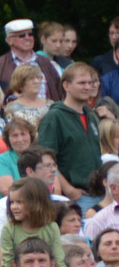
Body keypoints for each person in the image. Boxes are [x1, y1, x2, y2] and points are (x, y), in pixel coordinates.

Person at [37, 62, 104, 196]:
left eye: (90, 83)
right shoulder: (54, 117)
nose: (88, 87)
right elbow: (45, 159)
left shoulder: (91, 115)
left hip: (98, 192)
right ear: (66, 85)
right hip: (75, 195)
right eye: (82, 83)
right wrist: (69, 189)